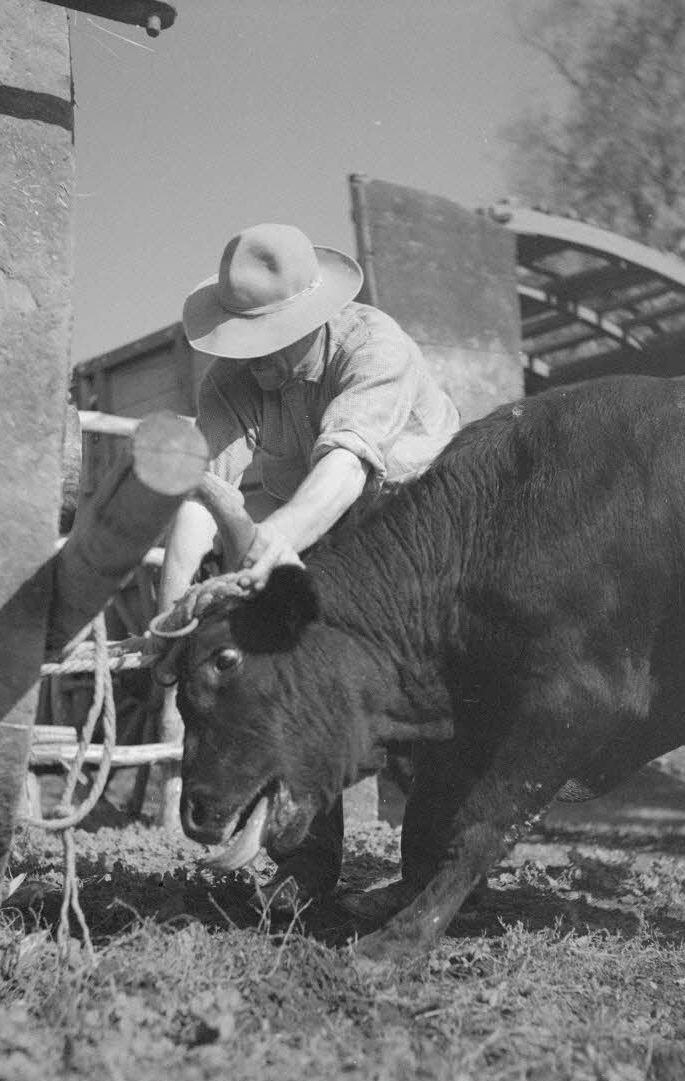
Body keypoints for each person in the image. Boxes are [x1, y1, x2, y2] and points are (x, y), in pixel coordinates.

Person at [158, 223, 462, 912]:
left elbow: (346, 464)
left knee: (422, 705)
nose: (258, 360)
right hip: (324, 536)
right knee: (286, 681)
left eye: (272, 340)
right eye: (246, 341)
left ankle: (433, 879)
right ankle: (304, 866)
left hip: (425, 542)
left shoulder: (375, 347)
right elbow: (202, 492)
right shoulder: (233, 382)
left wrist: (274, 541)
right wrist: (174, 615)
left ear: (314, 317)